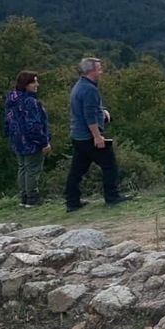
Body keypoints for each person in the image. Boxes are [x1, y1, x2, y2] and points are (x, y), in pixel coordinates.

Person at [64, 57, 130, 212]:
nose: (101, 71)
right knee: (109, 165)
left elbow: (91, 109)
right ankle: (112, 197)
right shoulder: (89, 89)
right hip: (88, 136)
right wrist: (97, 136)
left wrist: (103, 111)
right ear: (91, 70)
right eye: (99, 68)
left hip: (78, 136)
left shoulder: (80, 86)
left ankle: (72, 202)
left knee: (77, 170)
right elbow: (89, 115)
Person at [3, 70, 52, 208]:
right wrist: (44, 141)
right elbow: (34, 125)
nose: (37, 84)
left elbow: (7, 120)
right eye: (34, 81)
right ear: (26, 84)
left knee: (23, 167)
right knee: (32, 169)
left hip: (17, 139)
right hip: (31, 142)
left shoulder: (12, 100)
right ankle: (32, 198)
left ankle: (24, 197)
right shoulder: (30, 102)